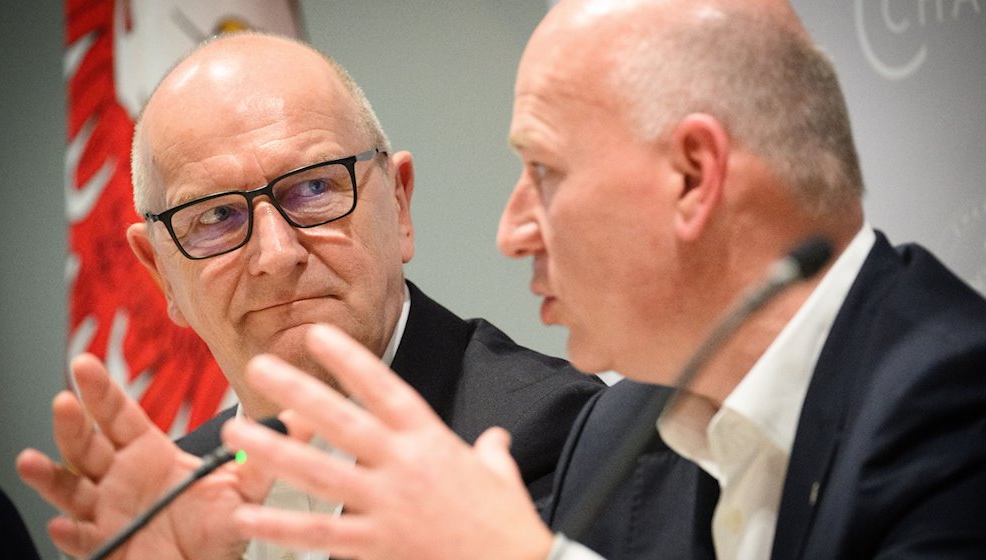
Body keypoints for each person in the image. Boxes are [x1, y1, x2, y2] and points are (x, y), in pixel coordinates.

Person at [215, 0, 986, 559]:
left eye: (544, 172)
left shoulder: (956, 404)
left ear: (693, 176)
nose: (511, 231)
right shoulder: (621, 431)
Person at [16, 32, 602, 560]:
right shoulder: (172, 495)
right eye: (216, 216)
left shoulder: (558, 436)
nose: (275, 255)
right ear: (161, 275)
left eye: (314, 187)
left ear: (399, 205)